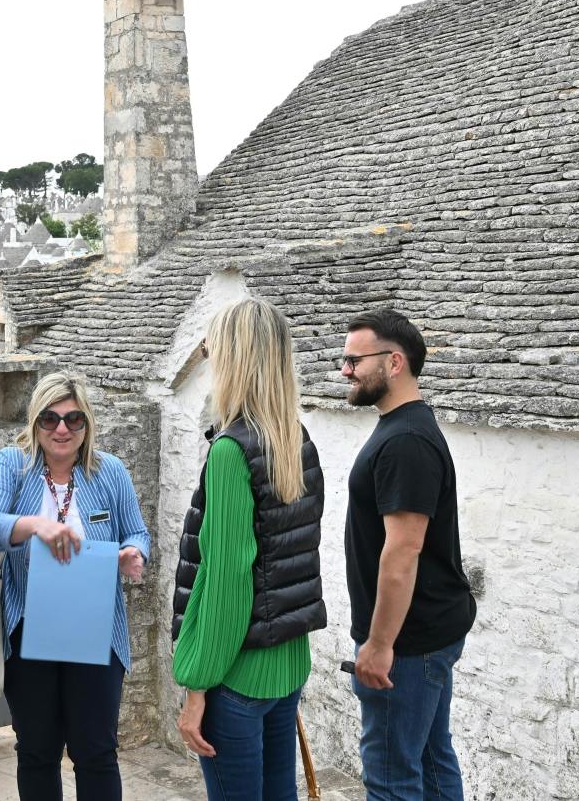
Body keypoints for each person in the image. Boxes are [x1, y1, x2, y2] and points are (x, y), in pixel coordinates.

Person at [171, 299, 327, 801]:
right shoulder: (295, 440)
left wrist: (197, 684)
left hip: (236, 675)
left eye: (213, 351)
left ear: (235, 359)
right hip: (287, 665)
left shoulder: (230, 451)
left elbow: (227, 582)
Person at [0, 372, 151, 800]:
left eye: (74, 419)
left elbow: (137, 532)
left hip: (94, 632)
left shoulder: (109, 472)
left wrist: (133, 552)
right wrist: (34, 526)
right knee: (37, 751)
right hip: (30, 631)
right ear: (35, 421)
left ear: (86, 424)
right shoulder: (13, 466)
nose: (61, 429)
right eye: (50, 418)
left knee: (97, 751)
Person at [340, 310, 476, 801]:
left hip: (407, 645)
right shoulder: (404, 427)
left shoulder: (406, 441)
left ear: (394, 362)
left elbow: (403, 552)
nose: (345, 370)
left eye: (354, 360)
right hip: (423, 636)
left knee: (391, 778)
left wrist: (379, 645)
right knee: (432, 763)